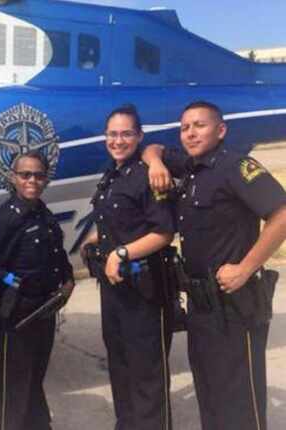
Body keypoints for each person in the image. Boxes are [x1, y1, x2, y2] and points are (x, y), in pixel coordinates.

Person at [143, 100, 286, 430]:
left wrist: (246, 267)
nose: (190, 132)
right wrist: (154, 162)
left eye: (199, 125)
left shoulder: (236, 167)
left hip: (235, 304)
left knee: (238, 401)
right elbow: (152, 147)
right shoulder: (191, 168)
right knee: (209, 393)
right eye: (185, 127)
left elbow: (281, 214)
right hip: (201, 305)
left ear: (221, 130)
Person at [80, 105, 175, 430]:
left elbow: (163, 232)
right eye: (112, 134)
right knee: (120, 368)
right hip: (115, 291)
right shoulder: (112, 176)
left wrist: (120, 253)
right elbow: (114, 220)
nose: (118, 140)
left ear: (139, 136)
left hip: (145, 292)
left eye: (125, 134)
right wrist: (92, 240)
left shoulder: (149, 175)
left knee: (146, 376)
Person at [0, 150, 74, 430]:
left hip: (44, 312)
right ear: (13, 178)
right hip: (15, 319)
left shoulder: (43, 214)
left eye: (39, 175)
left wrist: (68, 279)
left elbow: (57, 254)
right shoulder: (6, 219)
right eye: (25, 174)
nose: (32, 180)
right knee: (13, 392)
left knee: (34, 381)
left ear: (46, 179)